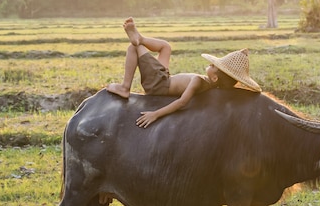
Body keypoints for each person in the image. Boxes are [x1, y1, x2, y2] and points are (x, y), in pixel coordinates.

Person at [107, 17, 261, 128]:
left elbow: (181, 103)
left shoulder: (198, 82)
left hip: (158, 83)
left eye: (213, 65)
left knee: (133, 48)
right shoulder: (208, 83)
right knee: (166, 47)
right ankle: (140, 38)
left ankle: (125, 87)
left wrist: (156, 114)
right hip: (165, 77)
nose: (210, 64)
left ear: (214, 77)